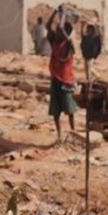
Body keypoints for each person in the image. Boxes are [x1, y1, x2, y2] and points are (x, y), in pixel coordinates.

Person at [46, 9, 77, 144]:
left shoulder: (69, 44)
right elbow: (48, 26)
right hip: (55, 78)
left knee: (70, 109)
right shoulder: (55, 42)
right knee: (56, 110)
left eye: (61, 31)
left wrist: (63, 14)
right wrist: (54, 12)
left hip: (66, 80)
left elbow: (59, 27)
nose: (58, 32)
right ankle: (59, 135)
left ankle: (73, 133)